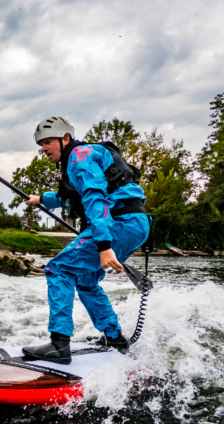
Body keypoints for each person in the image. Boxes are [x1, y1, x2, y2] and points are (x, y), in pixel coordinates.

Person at [22, 116, 150, 364]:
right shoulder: (84, 157)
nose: (43, 149)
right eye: (41, 144)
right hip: (135, 223)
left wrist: (103, 245)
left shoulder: (78, 156)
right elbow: (69, 197)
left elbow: (93, 196)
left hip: (117, 223)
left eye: (47, 142)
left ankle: (59, 344)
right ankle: (114, 338)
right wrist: (41, 199)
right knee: (86, 280)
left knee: (58, 269)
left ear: (65, 139)